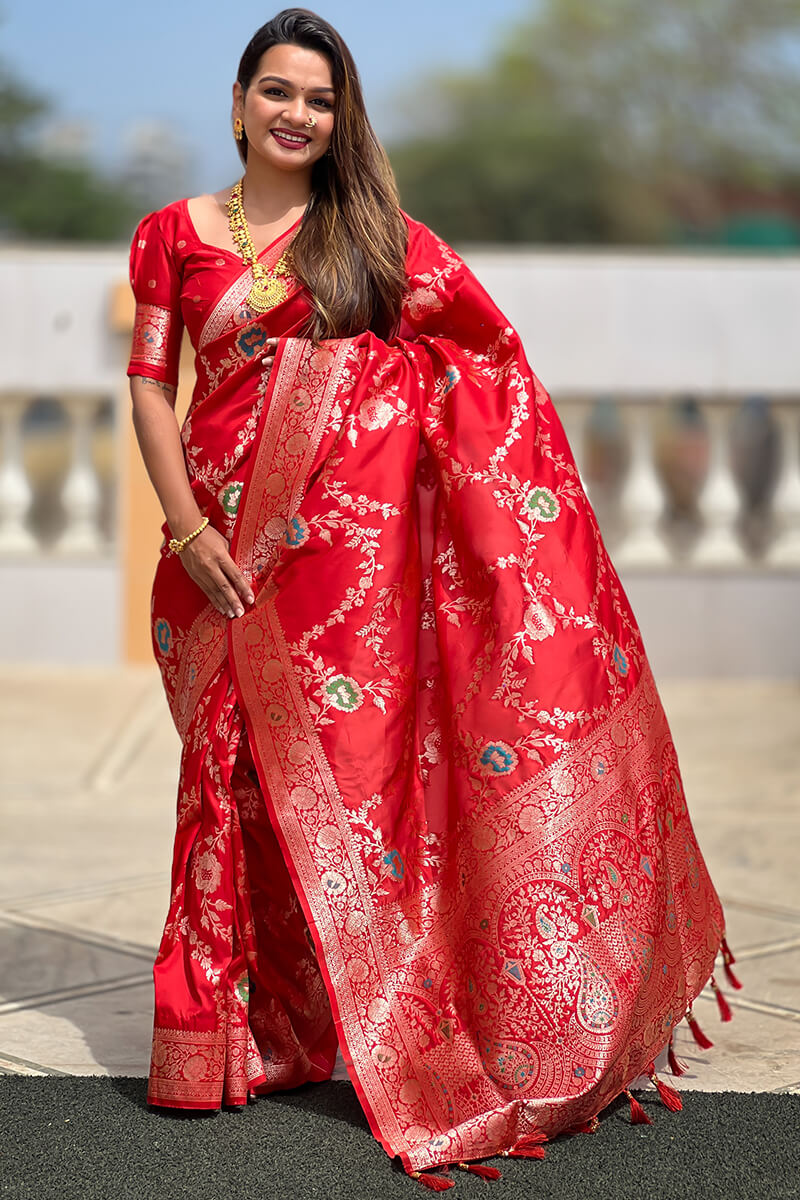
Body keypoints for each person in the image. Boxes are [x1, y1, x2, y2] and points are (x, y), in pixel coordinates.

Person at [127, 7, 739, 1188]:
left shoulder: (377, 241)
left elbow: (486, 368)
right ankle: (236, 1037)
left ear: (340, 114)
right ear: (240, 99)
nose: (296, 114)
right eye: (277, 91)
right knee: (228, 786)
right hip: (211, 558)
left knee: (360, 798)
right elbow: (151, 387)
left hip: (348, 580)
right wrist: (193, 526)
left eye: (319, 97)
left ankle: (376, 1034)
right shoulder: (172, 236)